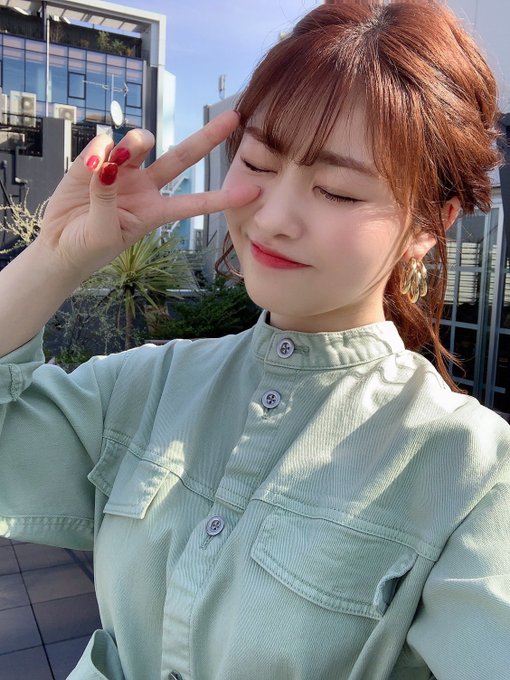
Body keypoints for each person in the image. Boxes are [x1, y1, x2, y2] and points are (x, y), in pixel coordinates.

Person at [1, 1, 509, 678]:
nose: (272, 219)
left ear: (428, 225)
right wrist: (53, 260)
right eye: (260, 162)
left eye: (337, 191)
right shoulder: (146, 385)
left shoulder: (469, 471)